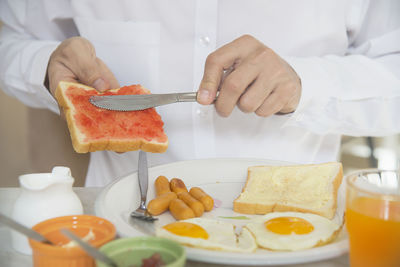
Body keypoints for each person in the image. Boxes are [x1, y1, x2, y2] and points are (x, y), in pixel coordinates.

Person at [1, 0, 400, 186]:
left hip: (296, 229)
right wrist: (43, 65)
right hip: (125, 227)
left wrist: (307, 83)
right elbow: (9, 37)